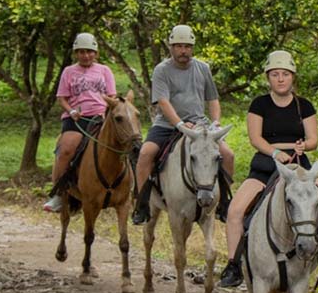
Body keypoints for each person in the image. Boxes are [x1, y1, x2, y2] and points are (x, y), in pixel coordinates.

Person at [217, 51, 318, 287]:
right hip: (266, 165)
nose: (281, 79)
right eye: (275, 74)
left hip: (299, 167)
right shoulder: (259, 104)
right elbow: (255, 138)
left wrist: (304, 145)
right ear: (268, 78)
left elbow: (313, 139)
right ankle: (233, 265)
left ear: (292, 77)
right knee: (235, 211)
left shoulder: (303, 106)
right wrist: (275, 153)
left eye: (285, 74)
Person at [132, 24, 234, 225]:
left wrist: (215, 123)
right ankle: (142, 204)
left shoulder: (202, 68)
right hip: (166, 126)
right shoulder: (161, 70)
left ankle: (223, 203)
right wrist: (179, 125)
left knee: (228, 155)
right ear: (171, 47)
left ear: (192, 47)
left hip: (199, 126)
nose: (183, 51)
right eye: (178, 46)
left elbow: (212, 99)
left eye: (187, 46)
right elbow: (163, 101)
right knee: (145, 154)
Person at [43, 32, 118, 212]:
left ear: (96, 53)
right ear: (76, 53)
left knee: (123, 143)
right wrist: (72, 111)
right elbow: (62, 98)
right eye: (82, 52)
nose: (86, 55)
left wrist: (105, 111)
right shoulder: (68, 72)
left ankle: (127, 189)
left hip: (99, 117)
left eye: (90, 52)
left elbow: (112, 95)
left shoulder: (105, 70)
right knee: (66, 150)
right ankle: (58, 194)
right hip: (76, 119)